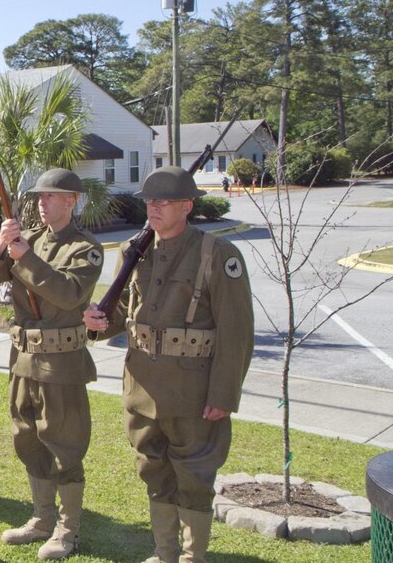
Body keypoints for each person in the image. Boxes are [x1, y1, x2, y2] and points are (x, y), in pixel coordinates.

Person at [83, 166, 254, 563]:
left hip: (193, 393)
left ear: (187, 206)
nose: (153, 208)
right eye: (149, 201)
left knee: (194, 478)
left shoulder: (218, 255)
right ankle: (165, 554)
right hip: (142, 388)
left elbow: (236, 332)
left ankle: (193, 558)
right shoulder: (134, 251)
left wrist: (223, 395)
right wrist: (95, 323)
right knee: (154, 472)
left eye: (163, 201)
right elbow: (121, 313)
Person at [0, 169, 103, 560]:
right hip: (23, 358)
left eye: (52, 196)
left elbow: (68, 294)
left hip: (61, 363)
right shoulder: (26, 238)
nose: (42, 203)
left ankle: (68, 531)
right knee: (27, 437)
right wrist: (2, 245)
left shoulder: (85, 248)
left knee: (63, 443)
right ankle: (42, 518)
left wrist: (24, 258)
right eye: (40, 197)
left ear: (72, 201)